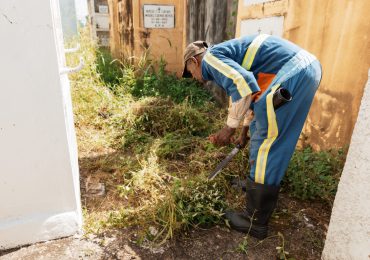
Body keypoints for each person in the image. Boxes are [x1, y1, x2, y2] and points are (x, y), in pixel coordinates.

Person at [182, 34, 322, 239]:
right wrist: (243, 132)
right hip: (301, 71)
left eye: (189, 72)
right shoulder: (227, 56)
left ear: (194, 61)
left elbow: (243, 84)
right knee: (261, 128)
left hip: (293, 73)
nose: (193, 77)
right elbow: (251, 95)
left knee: (269, 142)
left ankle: (255, 220)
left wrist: (228, 129)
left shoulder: (210, 59)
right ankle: (255, 185)